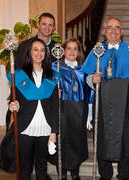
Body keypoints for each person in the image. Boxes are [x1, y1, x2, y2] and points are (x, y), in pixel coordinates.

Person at [81, 17, 129, 180]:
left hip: (124, 105)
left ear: (122, 32)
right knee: (101, 138)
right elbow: (85, 76)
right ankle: (105, 174)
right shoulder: (97, 50)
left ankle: (123, 174)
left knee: (126, 139)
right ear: (104, 31)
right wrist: (91, 79)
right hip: (101, 104)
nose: (113, 31)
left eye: (117, 28)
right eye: (110, 27)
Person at [7, 38, 59, 180]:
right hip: (25, 128)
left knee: (42, 167)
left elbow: (55, 106)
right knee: (25, 168)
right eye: (35, 49)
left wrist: (54, 132)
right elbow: (13, 99)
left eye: (42, 50)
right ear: (29, 52)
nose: (39, 53)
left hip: (45, 128)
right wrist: (12, 105)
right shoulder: (19, 76)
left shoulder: (52, 76)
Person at [52, 38, 91, 180]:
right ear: (63, 50)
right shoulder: (55, 67)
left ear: (78, 52)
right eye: (69, 48)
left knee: (77, 140)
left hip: (79, 109)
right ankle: (61, 173)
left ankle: (75, 173)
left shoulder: (83, 69)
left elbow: (89, 91)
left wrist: (90, 113)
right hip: (62, 109)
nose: (72, 51)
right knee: (62, 140)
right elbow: (47, 86)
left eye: (75, 48)